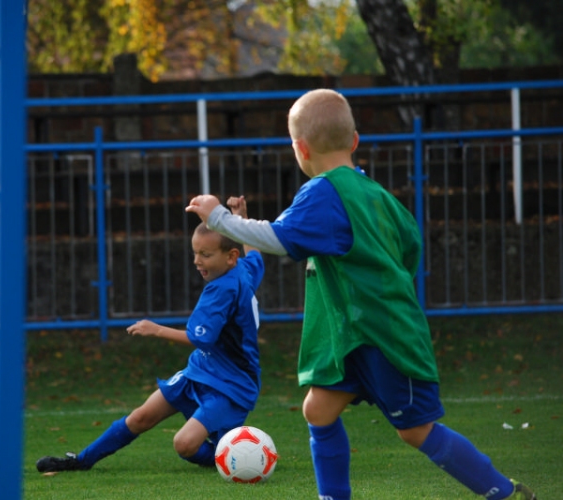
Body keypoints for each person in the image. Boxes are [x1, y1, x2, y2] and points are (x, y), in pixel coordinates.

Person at [185, 89, 536, 500]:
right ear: (355, 141)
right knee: (318, 409)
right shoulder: (375, 193)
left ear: (300, 148)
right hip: (354, 336)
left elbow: (276, 238)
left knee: (415, 430)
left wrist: (218, 216)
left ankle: (505, 493)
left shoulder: (323, 191)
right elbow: (410, 245)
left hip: (383, 336)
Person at [36, 202, 264, 473]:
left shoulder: (222, 290)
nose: (197, 261)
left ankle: (228, 456)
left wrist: (154, 329)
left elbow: (199, 339)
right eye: (195, 253)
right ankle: (81, 461)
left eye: (206, 254)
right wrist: (242, 218)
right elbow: (256, 256)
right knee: (141, 417)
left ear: (230, 256)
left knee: (184, 444)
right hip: (201, 370)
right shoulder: (242, 269)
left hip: (231, 384)